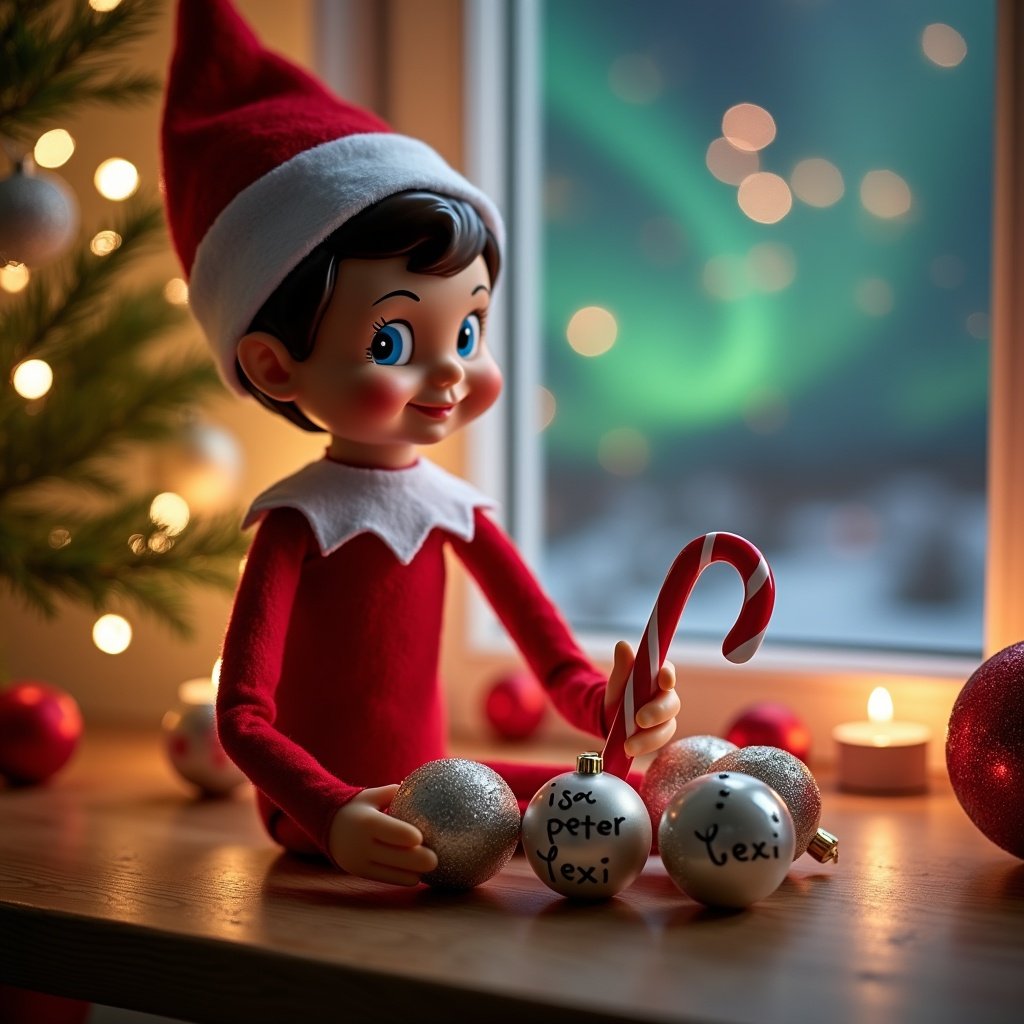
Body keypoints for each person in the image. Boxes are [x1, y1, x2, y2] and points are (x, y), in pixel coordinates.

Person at [161, 0, 679, 886]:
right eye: (393, 343)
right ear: (274, 366)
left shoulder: (451, 510)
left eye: (469, 333)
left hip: (447, 794)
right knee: (587, 817)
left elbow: (556, 664)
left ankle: (719, 829)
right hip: (328, 809)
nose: (450, 374)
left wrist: (615, 710)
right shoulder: (298, 521)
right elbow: (243, 718)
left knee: (620, 805)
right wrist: (328, 810)